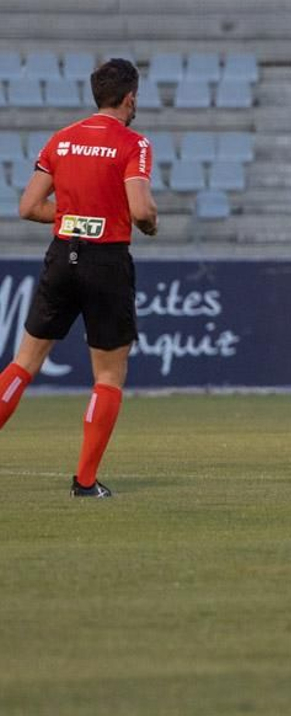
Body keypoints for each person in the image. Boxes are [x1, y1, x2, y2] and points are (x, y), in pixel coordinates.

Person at [0, 58, 158, 498]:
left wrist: (73, 217)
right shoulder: (134, 144)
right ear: (130, 98)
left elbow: (29, 206)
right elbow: (142, 210)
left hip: (61, 255)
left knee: (23, 363)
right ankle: (85, 482)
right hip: (106, 262)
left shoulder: (62, 139)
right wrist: (149, 224)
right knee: (107, 375)